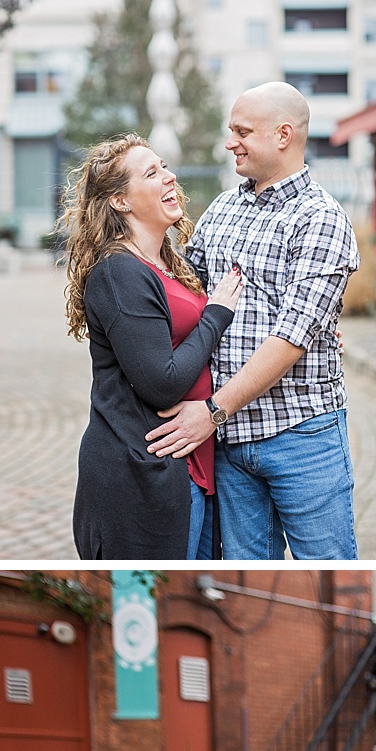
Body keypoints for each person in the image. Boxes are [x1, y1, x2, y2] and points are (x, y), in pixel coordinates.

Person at [143, 82, 360, 559]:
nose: (229, 142)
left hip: (302, 437)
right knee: (246, 569)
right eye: (230, 130)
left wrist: (212, 411)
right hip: (231, 446)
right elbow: (186, 300)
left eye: (242, 131)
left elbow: (289, 338)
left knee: (323, 569)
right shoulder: (222, 209)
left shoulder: (320, 219)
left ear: (283, 135)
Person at [64, 135, 242, 558]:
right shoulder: (119, 273)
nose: (170, 177)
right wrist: (216, 313)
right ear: (120, 202)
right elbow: (162, 383)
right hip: (140, 477)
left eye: (164, 167)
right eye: (152, 173)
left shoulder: (169, 263)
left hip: (191, 469)